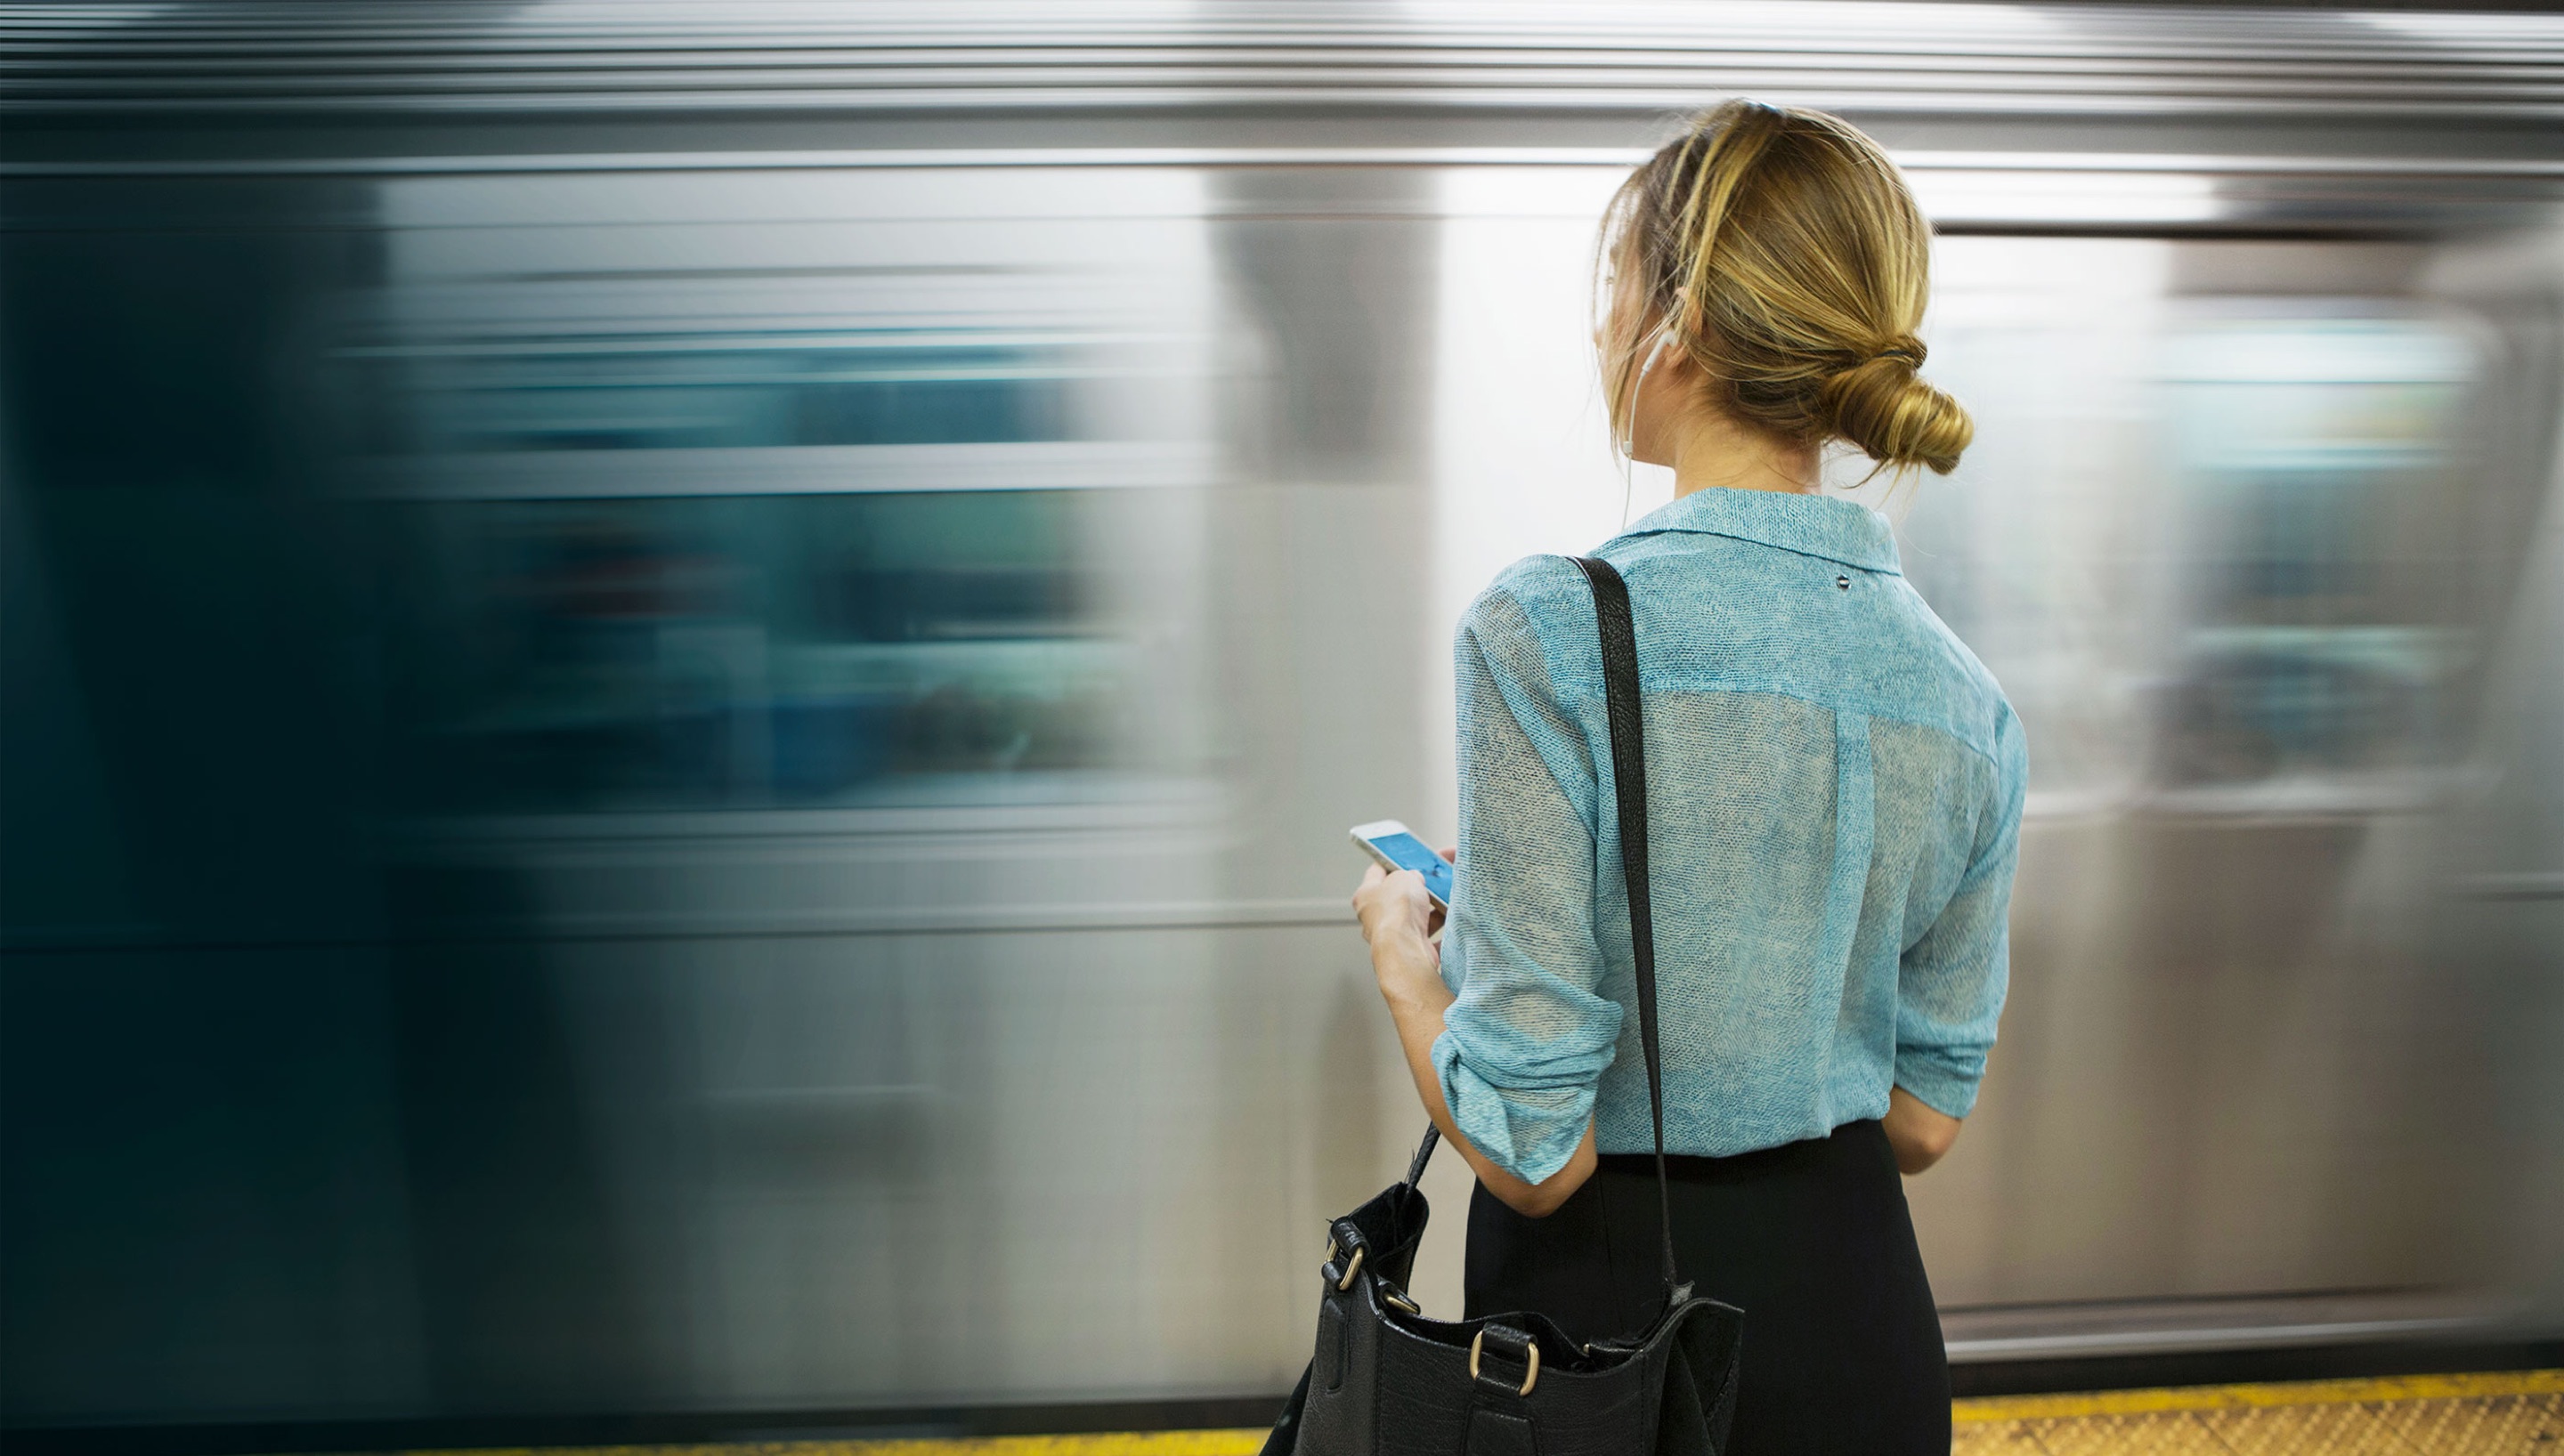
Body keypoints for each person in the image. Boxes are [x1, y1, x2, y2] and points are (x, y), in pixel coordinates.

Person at [1351, 100, 2025, 1455]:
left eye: (1615, 286)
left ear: (1686, 323)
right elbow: (1923, 1125)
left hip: (1607, 1346)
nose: (1603, 326)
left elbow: (1539, 1161)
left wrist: (1408, 971)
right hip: (1864, 1334)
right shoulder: (1969, 702)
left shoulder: (1545, 630)